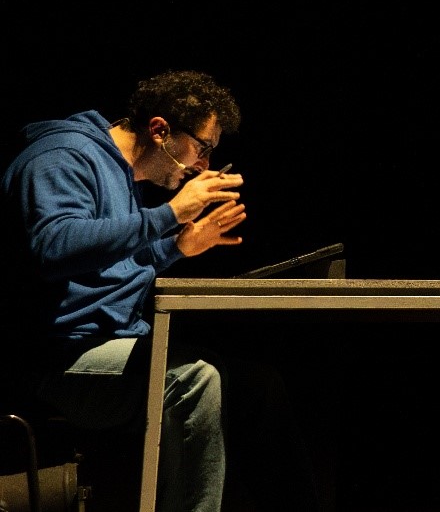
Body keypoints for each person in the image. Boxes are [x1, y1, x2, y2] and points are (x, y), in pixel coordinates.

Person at [0, 69, 317, 511]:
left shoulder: (123, 179)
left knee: (257, 387)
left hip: (113, 347)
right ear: (160, 130)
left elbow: (107, 269)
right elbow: (54, 246)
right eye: (202, 148)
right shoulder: (62, 157)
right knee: (192, 379)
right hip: (59, 360)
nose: (203, 165)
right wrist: (169, 215)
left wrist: (176, 247)